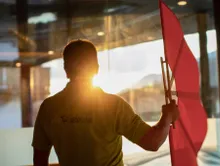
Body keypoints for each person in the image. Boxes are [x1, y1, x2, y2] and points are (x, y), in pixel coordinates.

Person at [32, 39, 179, 166]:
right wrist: (167, 117)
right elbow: (152, 142)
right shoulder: (114, 106)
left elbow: (39, 159)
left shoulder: (49, 107)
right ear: (96, 68)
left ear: (66, 70)